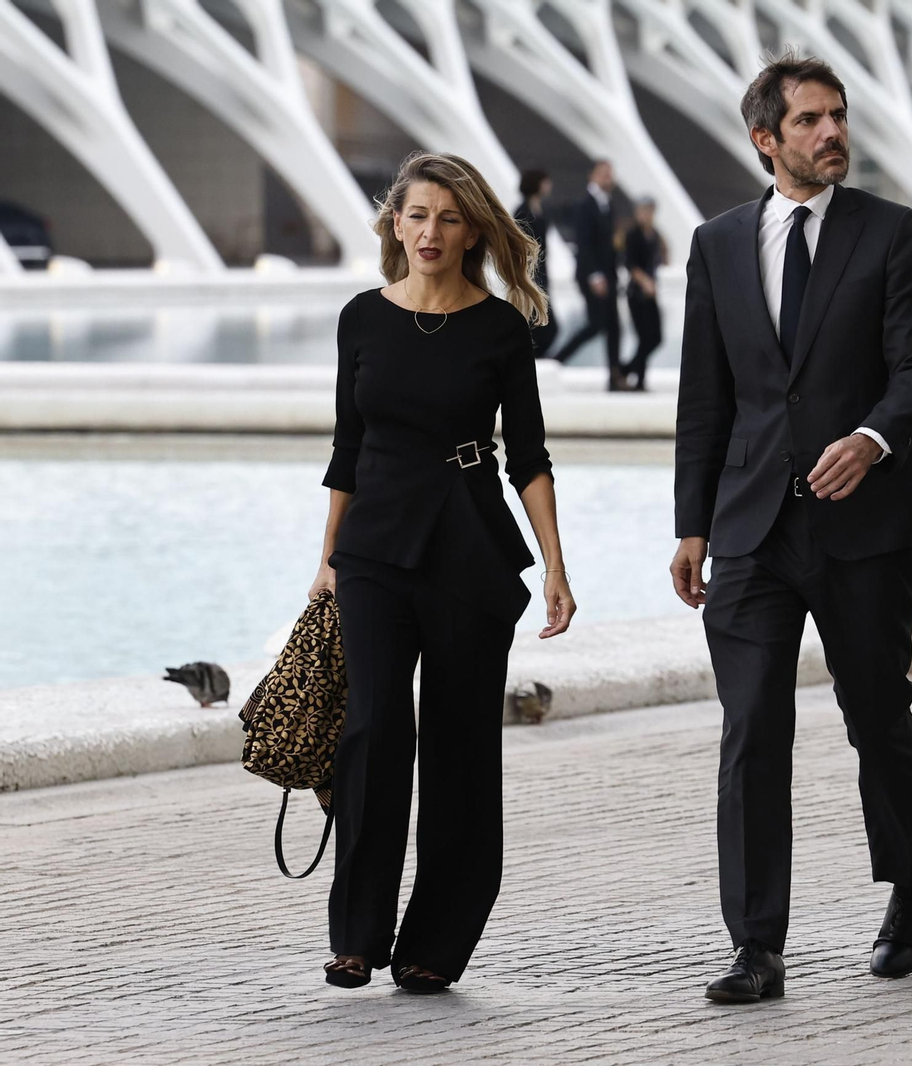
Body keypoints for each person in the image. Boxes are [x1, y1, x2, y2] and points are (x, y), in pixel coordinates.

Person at [671, 50, 912, 1004]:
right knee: (752, 727)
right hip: (751, 528)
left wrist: (871, 439)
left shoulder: (890, 232)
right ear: (765, 139)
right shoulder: (716, 244)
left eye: (838, 115)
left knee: (876, 712)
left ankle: (911, 887)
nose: (832, 133)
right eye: (809, 120)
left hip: (867, 525)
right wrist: (692, 524)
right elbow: (705, 397)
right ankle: (756, 946)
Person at [308, 151, 576, 994]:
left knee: (461, 746)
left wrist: (557, 565)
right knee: (373, 730)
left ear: (472, 233)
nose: (430, 232)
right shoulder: (362, 317)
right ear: (395, 223)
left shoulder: (499, 328)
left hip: (467, 546)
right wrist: (326, 561)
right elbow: (346, 449)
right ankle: (357, 935)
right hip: (374, 552)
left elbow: (528, 456)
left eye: (448, 218)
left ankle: (434, 944)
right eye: (417, 215)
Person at [550, 160, 624, 390]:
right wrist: (594, 275)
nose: (608, 177)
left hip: (608, 276)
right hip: (593, 276)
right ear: (592, 175)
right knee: (597, 324)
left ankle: (615, 377)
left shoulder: (607, 204)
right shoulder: (585, 204)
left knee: (613, 326)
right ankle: (555, 361)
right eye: (603, 173)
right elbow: (584, 243)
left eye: (609, 173)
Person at [513, 168, 559, 356]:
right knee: (544, 326)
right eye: (545, 181)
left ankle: (533, 360)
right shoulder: (522, 211)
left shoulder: (541, 209)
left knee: (544, 327)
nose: (549, 186)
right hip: (529, 275)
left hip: (541, 273)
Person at [622, 196, 665, 391]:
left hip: (650, 293)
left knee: (655, 338)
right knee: (644, 337)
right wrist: (645, 282)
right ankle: (637, 378)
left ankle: (626, 370)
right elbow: (630, 264)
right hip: (637, 293)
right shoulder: (633, 235)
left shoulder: (654, 235)